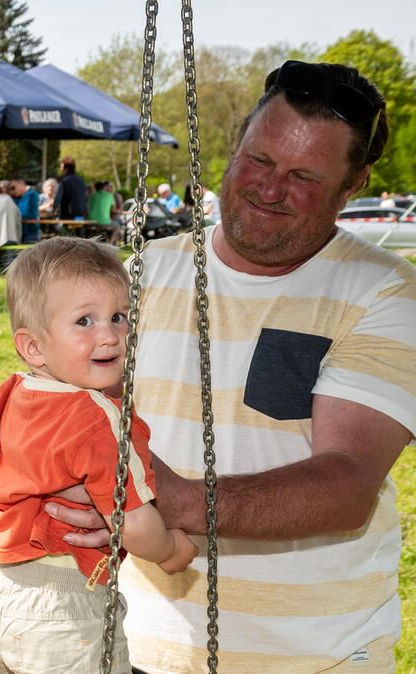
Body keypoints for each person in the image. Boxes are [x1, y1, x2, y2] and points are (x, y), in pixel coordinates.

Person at [44, 60, 415, 672]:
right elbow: (65, 410)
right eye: (259, 160)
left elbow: (348, 483)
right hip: (135, 643)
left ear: (353, 186)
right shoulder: (136, 275)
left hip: (313, 657)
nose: (269, 189)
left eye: (304, 177)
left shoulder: (387, 293)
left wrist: (166, 497)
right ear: (237, 141)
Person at [0, 239, 196, 673]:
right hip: (66, 610)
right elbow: (133, 523)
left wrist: (26, 467)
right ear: (33, 347)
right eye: (84, 320)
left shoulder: (7, 394)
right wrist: (170, 551)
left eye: (119, 317)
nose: (109, 335)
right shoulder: (99, 417)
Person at [10, 178, 41, 242]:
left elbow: (33, 215)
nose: (12, 190)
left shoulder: (32, 195)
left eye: (13, 188)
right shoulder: (15, 198)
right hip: (18, 232)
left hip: (30, 233)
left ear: (21, 184)